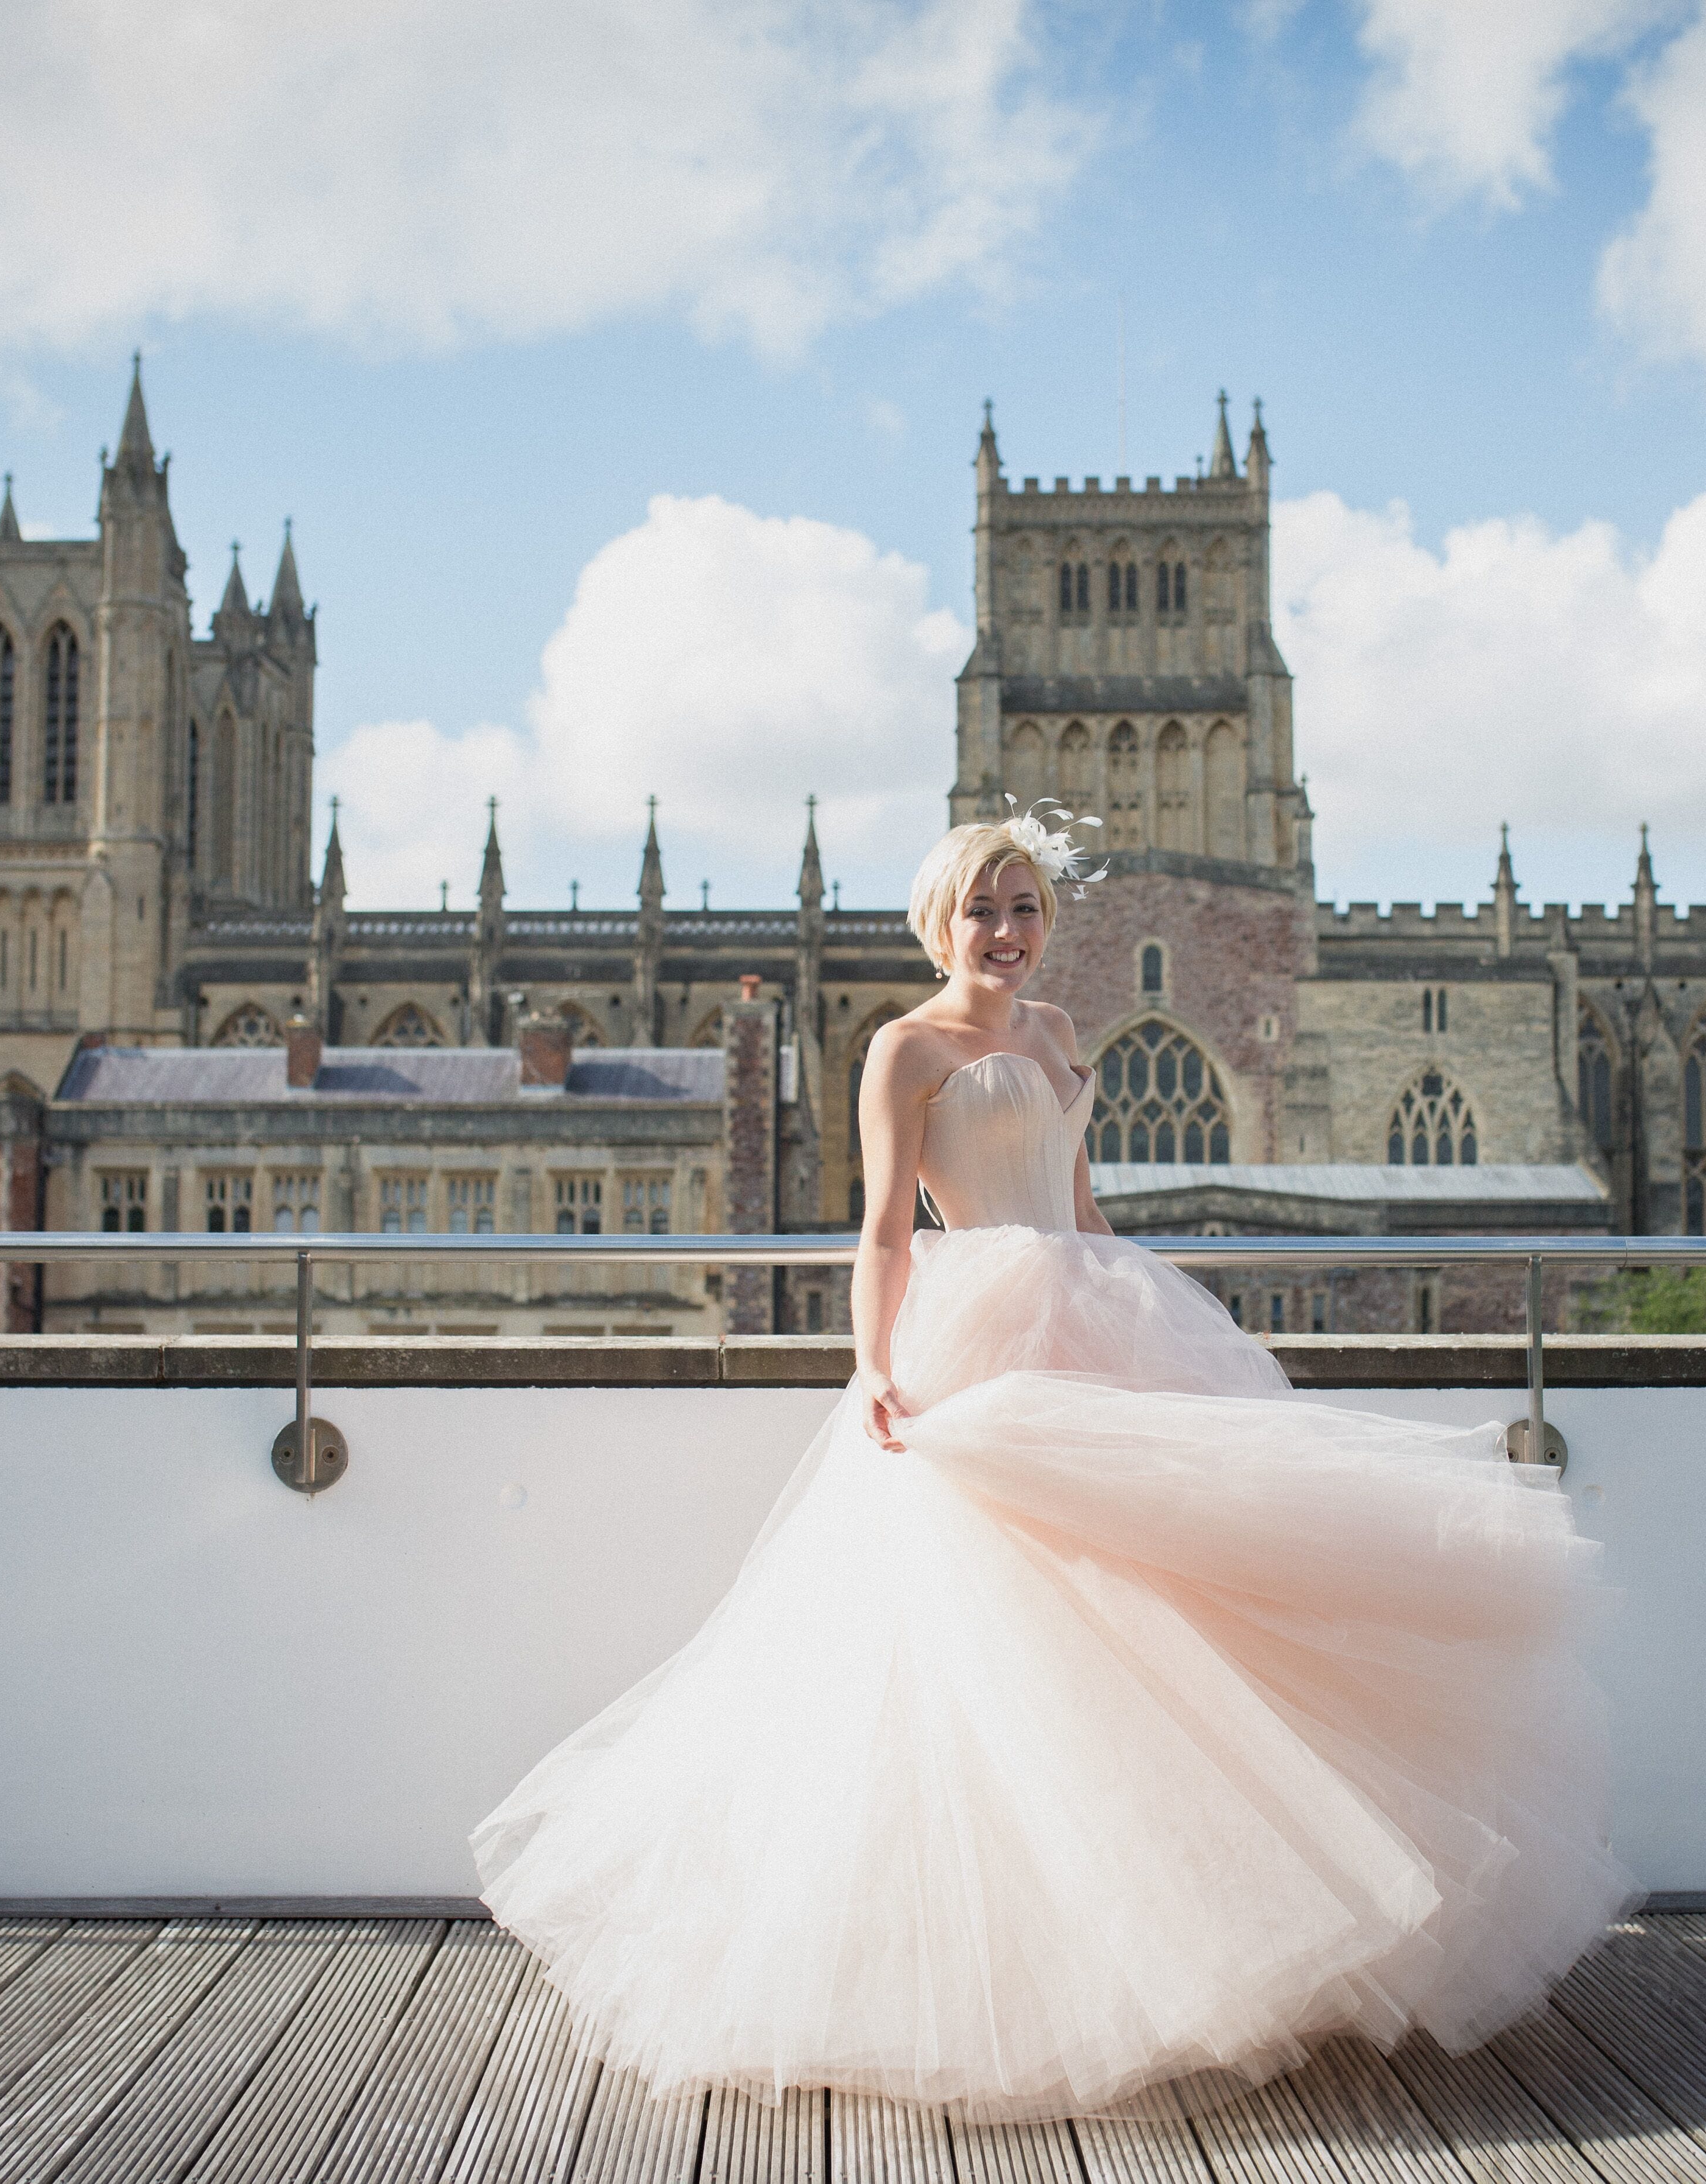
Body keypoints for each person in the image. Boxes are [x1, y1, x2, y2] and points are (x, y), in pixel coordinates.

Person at [473, 808, 1630, 2120]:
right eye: (986, 911)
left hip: (1088, 1310)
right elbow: (882, 1231)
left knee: (1160, 1619)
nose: (1009, 933)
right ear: (938, 920)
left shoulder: (1058, 1033)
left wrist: (1154, 1309)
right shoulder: (903, 1048)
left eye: (1025, 909)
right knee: (989, 1643)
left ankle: (1200, 1934)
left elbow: (1083, 1209)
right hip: (974, 1333)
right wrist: (870, 1365)